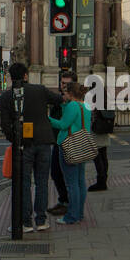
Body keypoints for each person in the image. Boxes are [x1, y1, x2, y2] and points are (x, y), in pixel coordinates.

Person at [0, 62, 64, 234]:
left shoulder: (6, 96)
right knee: (42, 182)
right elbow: (58, 100)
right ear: (26, 75)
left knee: (23, 183)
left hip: (23, 145)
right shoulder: (40, 90)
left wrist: (15, 139)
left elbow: (4, 124)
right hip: (43, 141)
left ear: (11, 77)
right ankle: (41, 220)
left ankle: (25, 223)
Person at [50, 81, 92, 225]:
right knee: (80, 182)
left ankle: (71, 216)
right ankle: (79, 213)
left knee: (71, 183)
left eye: (65, 92)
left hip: (69, 144)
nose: (63, 95)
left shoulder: (73, 106)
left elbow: (63, 125)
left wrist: (46, 119)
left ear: (70, 94)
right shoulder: (85, 106)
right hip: (82, 144)